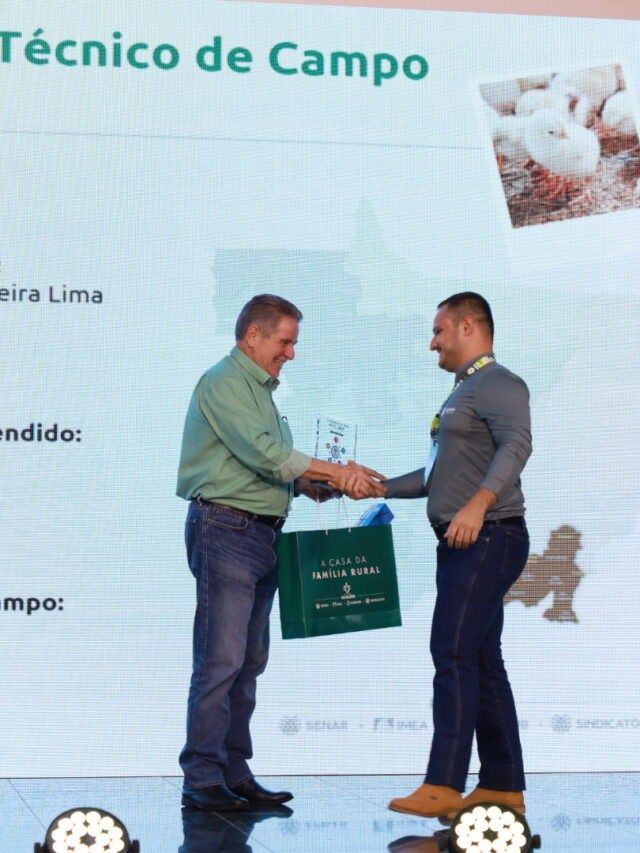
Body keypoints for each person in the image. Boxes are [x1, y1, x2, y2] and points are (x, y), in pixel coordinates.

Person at [176, 294, 385, 812]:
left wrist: (310, 487)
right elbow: (265, 453)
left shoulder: (260, 390)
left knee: (248, 661)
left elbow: (259, 467)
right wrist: (337, 471)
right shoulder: (225, 382)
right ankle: (202, 778)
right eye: (285, 342)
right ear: (254, 335)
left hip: (260, 533)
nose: (291, 353)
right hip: (226, 529)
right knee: (222, 659)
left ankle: (234, 770)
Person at [383, 292, 532, 820]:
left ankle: (444, 783)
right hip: (465, 541)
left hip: (488, 536)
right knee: (480, 659)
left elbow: (517, 445)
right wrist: (374, 486)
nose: (433, 343)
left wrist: (479, 503)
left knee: (451, 651)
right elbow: (433, 478)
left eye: (439, 331)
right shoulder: (463, 391)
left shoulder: (499, 383)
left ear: (468, 326)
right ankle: (502, 786)